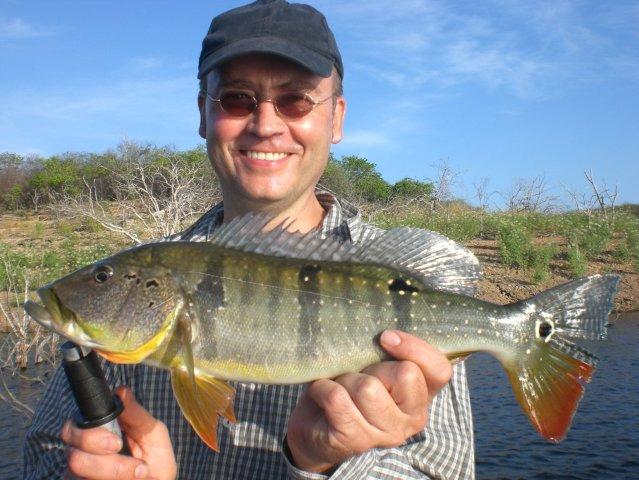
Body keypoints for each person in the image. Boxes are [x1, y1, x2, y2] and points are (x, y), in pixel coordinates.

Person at [24, 1, 475, 478]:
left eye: (296, 100)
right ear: (204, 113)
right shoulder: (110, 328)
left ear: (336, 118)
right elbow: (44, 454)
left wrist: (319, 464)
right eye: (237, 99)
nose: (265, 124)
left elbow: (440, 468)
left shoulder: (406, 288)